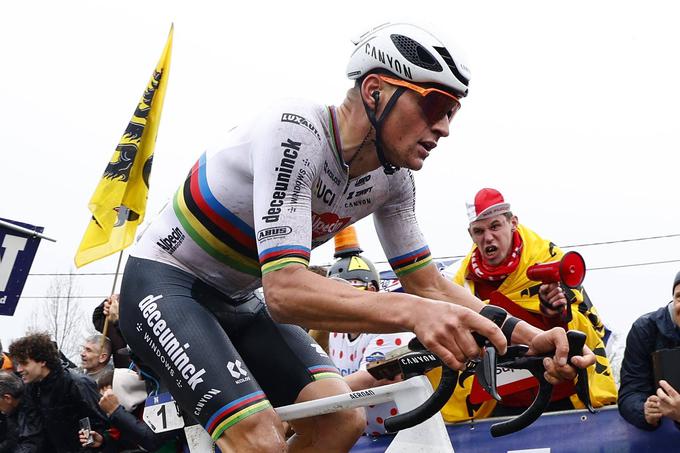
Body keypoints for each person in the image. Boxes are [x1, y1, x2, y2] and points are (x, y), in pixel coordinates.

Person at [118, 23, 595, 452]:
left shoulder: (394, 181)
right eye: (434, 104)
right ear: (374, 90)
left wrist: (531, 336)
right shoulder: (297, 131)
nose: (445, 127)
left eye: (453, 111)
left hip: (239, 299)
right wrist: (416, 313)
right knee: (258, 440)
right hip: (168, 283)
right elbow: (285, 291)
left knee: (342, 419)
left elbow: (428, 286)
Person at [431, 188, 617, 422]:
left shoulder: (548, 257)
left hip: (559, 394)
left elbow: (578, 322)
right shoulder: (461, 281)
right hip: (500, 402)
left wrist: (554, 313)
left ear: (513, 223)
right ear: (471, 234)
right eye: (479, 231)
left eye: (495, 226)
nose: (487, 237)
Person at [325, 227, 415, 436]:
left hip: (406, 436)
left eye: (348, 293)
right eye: (334, 296)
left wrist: (315, 396)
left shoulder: (391, 328)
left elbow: (368, 378)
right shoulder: (336, 331)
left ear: (372, 291)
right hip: (365, 437)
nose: (340, 304)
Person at [9, 332, 108, 452]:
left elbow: (102, 426)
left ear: (42, 361)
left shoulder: (77, 384)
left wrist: (101, 438)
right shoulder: (31, 388)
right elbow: (32, 435)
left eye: (24, 363)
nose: (19, 369)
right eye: (18, 364)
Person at [619, 271, 680, 430]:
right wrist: (643, 410)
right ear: (673, 298)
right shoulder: (644, 329)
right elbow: (630, 391)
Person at [0, 371, 44, 452]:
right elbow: (11, 439)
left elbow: (32, 444)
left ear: (7, 398)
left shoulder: (31, 409)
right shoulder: (11, 408)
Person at [92, 295, 131, 369]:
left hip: (136, 375)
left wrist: (117, 319)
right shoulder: (113, 328)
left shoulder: (138, 329)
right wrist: (108, 302)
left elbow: (131, 337)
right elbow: (98, 319)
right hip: (119, 375)